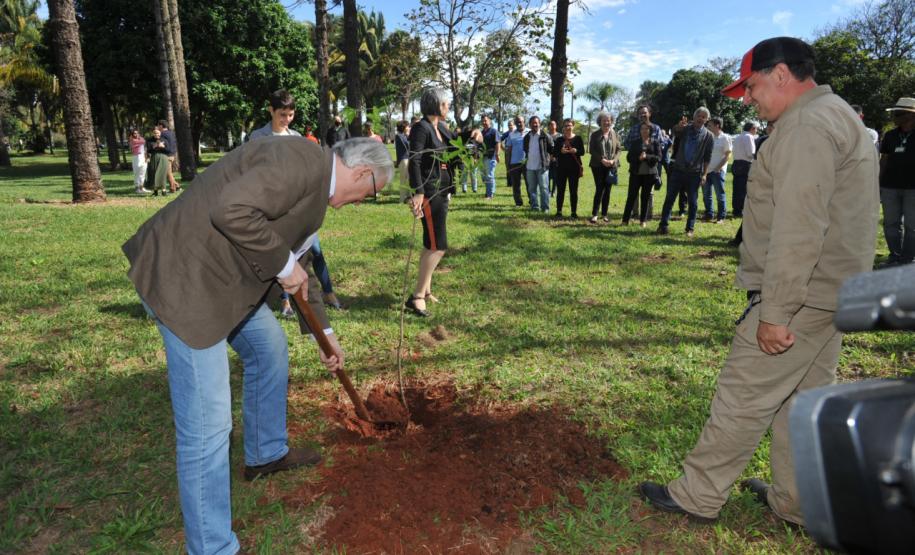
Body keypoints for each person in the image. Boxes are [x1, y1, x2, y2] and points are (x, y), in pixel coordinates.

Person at [638, 36, 879, 527]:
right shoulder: (834, 114)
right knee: (804, 402)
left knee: (743, 395)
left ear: (781, 75)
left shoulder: (806, 126)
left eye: (750, 86)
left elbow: (799, 227)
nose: (747, 99)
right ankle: (797, 501)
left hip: (802, 296)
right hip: (835, 292)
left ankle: (698, 495)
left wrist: (776, 312)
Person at [122, 136, 392, 555]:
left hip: (224, 284)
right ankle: (212, 548)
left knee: (269, 349)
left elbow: (300, 267)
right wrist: (282, 265)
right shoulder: (299, 161)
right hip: (186, 282)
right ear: (362, 173)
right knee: (209, 425)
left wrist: (325, 336)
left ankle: (265, 453)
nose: (363, 201)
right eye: (371, 193)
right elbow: (230, 210)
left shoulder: (315, 186)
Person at [249, 89, 345, 315]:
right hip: (272, 206)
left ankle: (328, 292)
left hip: (298, 205)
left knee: (315, 249)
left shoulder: (296, 137)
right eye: (282, 114)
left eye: (290, 115)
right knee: (283, 253)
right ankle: (285, 301)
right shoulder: (258, 137)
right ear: (271, 110)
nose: (286, 119)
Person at [404, 88, 481, 317]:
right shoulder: (421, 128)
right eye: (446, 104)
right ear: (436, 105)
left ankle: (426, 290)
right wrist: (418, 193)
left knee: (430, 243)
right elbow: (415, 160)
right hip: (430, 191)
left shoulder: (441, 127)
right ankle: (417, 297)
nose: (448, 107)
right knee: (438, 246)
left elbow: (455, 144)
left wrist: (472, 134)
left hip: (442, 190)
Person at [657, 107, 714, 237]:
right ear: (694, 117)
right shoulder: (685, 129)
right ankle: (663, 225)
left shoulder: (709, 136)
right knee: (670, 198)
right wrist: (678, 126)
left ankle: (690, 228)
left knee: (693, 202)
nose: (700, 118)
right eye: (699, 115)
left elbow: (707, 157)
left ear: (707, 119)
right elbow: (675, 131)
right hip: (678, 169)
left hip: (695, 173)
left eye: (704, 117)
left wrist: (704, 174)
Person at [878, 97, 915, 267]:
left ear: (910, 115)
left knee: (912, 225)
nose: (894, 117)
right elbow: (884, 160)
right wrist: (878, 182)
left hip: (913, 188)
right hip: (889, 186)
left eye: (898, 113)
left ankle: (908, 259)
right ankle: (894, 256)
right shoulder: (890, 135)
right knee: (890, 223)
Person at [623, 122, 660, 227]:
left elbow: (658, 157)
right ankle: (625, 220)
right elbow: (629, 158)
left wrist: (647, 157)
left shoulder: (655, 142)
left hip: (649, 175)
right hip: (636, 174)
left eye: (646, 129)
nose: (644, 131)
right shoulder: (635, 143)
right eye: (642, 129)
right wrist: (638, 158)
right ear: (640, 131)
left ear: (650, 131)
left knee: (645, 197)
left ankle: (643, 220)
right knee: (631, 196)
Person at [588, 111, 621, 223]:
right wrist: (602, 160)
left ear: (611, 121)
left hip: (611, 166)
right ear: (600, 122)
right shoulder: (595, 134)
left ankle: (605, 214)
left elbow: (619, 149)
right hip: (597, 165)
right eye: (604, 120)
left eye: (608, 120)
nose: (606, 122)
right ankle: (595, 214)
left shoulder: (615, 134)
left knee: (608, 190)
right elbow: (591, 150)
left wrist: (613, 160)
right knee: (599, 189)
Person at [701, 117, 732, 223]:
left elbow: (728, 155)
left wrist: (718, 168)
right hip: (706, 171)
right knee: (706, 194)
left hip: (718, 171)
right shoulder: (708, 137)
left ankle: (721, 217)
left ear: (717, 125)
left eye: (710, 125)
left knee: (719, 194)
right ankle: (709, 215)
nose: (707, 127)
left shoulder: (725, 137)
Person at [553, 118, 585, 219]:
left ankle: (573, 212)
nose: (568, 127)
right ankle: (559, 211)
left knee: (573, 191)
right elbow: (554, 153)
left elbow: (582, 152)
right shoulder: (559, 140)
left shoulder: (578, 139)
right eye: (566, 125)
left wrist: (576, 151)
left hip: (574, 169)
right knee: (560, 191)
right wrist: (561, 151)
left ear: (573, 126)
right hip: (561, 169)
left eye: (569, 125)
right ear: (563, 127)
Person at [522, 115, 553, 212]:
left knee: (544, 188)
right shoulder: (527, 137)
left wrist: (548, 161)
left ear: (539, 124)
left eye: (536, 123)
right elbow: (526, 149)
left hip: (542, 167)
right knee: (532, 188)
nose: (534, 124)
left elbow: (552, 149)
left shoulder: (545, 136)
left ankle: (545, 208)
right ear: (529, 124)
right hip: (530, 167)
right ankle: (534, 206)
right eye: (532, 123)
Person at [730, 121, 758, 218]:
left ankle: (736, 209)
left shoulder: (738, 137)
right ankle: (742, 210)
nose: (756, 131)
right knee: (744, 189)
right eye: (756, 129)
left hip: (736, 163)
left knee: (736, 188)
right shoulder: (749, 137)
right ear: (752, 128)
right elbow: (750, 153)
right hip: (745, 164)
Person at [504, 116, 527, 207]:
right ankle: (518, 203)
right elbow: (508, 150)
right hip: (514, 163)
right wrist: (508, 164)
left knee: (530, 184)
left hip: (527, 162)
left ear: (524, 122)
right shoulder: (511, 134)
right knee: (516, 185)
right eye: (517, 122)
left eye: (521, 122)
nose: (519, 124)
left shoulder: (529, 132)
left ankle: (532, 202)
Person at [156, 120, 181, 193]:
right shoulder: (171, 133)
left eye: (158, 125)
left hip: (166, 155)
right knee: (168, 172)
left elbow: (162, 144)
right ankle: (177, 186)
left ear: (161, 126)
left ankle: (173, 188)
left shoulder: (162, 134)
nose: (157, 127)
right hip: (172, 154)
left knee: (168, 173)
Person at [480, 114, 500, 200]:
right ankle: (489, 191)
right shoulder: (481, 132)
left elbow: (498, 143)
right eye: (483, 121)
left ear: (489, 121)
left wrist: (497, 154)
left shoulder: (494, 131)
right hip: (482, 157)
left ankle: (490, 195)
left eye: (485, 120)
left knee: (489, 175)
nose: (484, 122)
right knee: (484, 176)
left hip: (491, 157)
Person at [145, 128, 170, 196]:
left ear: (160, 133)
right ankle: (155, 190)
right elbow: (148, 150)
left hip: (163, 158)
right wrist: (154, 146)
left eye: (158, 133)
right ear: (153, 134)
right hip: (154, 157)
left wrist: (163, 147)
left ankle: (164, 191)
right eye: (155, 133)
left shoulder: (164, 140)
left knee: (162, 174)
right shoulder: (149, 140)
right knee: (154, 173)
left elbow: (168, 150)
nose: (156, 134)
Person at [129, 129, 150, 194]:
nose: (136, 134)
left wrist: (146, 157)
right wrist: (141, 139)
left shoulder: (141, 139)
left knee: (143, 173)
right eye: (134, 133)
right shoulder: (132, 141)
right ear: (132, 135)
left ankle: (142, 188)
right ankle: (137, 188)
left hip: (143, 156)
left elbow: (144, 147)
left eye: (137, 133)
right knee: (137, 173)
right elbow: (142, 141)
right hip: (136, 157)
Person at [395, 121, 411, 202]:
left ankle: (407, 196)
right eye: (408, 126)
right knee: (403, 179)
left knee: (408, 179)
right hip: (403, 159)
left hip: (407, 159)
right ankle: (402, 198)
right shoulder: (399, 136)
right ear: (404, 127)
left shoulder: (403, 135)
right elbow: (407, 145)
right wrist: (408, 135)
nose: (409, 128)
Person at [547, 120, 560, 196]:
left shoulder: (559, 136)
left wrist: (555, 156)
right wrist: (549, 156)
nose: (552, 126)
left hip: (556, 159)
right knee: (547, 175)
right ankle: (548, 191)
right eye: (551, 124)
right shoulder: (546, 135)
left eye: (554, 124)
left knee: (556, 175)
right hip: (547, 158)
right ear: (548, 126)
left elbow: (560, 147)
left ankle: (554, 191)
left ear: (556, 126)